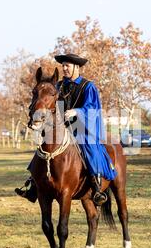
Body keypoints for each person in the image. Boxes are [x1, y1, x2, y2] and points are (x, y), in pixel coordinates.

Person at [15, 53, 117, 206]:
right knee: (43, 150)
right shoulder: (58, 86)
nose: (64, 68)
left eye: (67, 66)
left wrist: (77, 112)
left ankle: (96, 187)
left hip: (82, 126)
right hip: (62, 126)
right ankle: (33, 185)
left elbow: (93, 108)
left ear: (76, 67)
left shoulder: (88, 86)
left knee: (88, 147)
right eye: (63, 66)